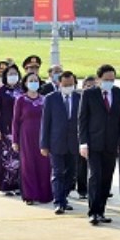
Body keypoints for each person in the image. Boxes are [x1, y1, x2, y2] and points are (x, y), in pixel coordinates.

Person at [78, 64, 120, 226]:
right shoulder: (89, 94)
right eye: (106, 79)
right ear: (99, 79)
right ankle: (93, 212)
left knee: (106, 178)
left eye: (112, 80)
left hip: (111, 143)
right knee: (95, 177)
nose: (110, 82)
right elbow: (82, 120)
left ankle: (101, 211)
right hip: (93, 143)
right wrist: (83, 143)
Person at [40, 71, 80, 214]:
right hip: (56, 142)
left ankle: (64, 197)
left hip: (74, 143)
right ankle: (58, 202)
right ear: (59, 83)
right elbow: (46, 122)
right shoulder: (51, 99)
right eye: (65, 84)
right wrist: (43, 144)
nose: (68, 87)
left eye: (71, 84)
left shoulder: (79, 98)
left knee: (71, 174)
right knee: (57, 173)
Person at [12, 72, 52, 205]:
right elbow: (15, 121)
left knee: (44, 164)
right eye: (31, 80)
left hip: (42, 136)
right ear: (25, 83)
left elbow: (49, 119)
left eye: (36, 80)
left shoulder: (45, 99)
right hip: (26, 136)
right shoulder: (21, 100)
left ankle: (44, 194)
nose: (34, 83)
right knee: (28, 165)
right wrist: (15, 141)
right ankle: (30, 195)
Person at [0, 64, 23, 195]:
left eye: (15, 73)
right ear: (5, 76)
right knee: (6, 157)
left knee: (19, 157)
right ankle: (5, 185)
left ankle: (18, 184)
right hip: (5, 129)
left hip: (21, 129)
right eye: (10, 74)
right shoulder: (0, 91)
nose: (13, 76)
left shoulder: (22, 90)